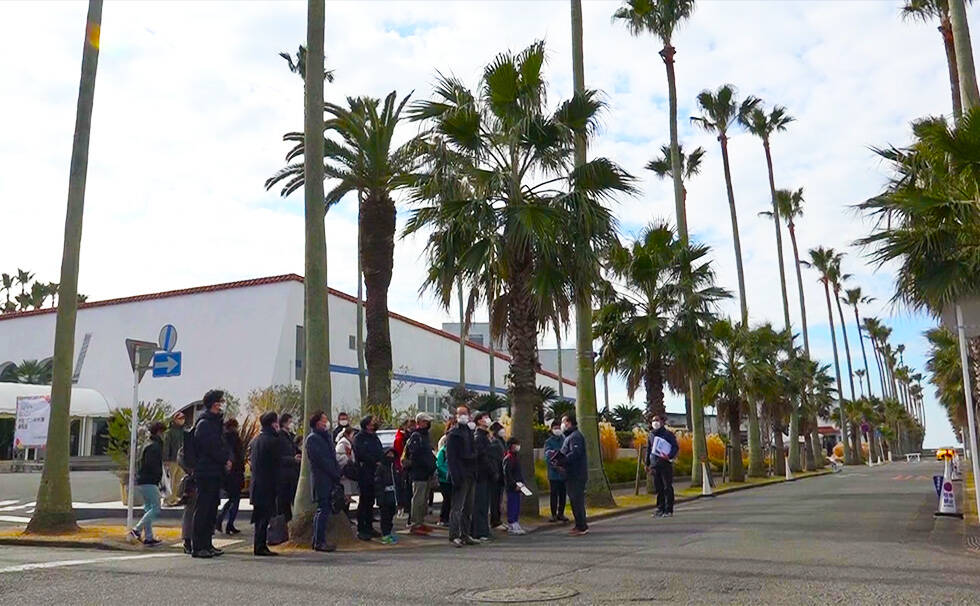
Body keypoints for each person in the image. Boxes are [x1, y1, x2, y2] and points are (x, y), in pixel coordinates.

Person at [191, 389, 232, 558]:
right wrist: (224, 459)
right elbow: (210, 447)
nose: (222, 404)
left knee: (211, 509)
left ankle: (207, 544)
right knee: (203, 509)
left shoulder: (215, 422)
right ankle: (198, 546)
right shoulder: (205, 423)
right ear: (214, 403)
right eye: (220, 401)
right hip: (205, 472)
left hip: (214, 472)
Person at [306, 410, 341, 552]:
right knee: (323, 509)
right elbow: (322, 460)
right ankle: (319, 541)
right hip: (322, 479)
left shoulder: (325, 437)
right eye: (323, 420)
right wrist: (334, 473)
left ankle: (318, 540)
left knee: (325, 509)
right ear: (317, 422)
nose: (326, 423)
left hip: (328, 478)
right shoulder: (313, 439)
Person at [250, 412, 281, 556]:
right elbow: (277, 462)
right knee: (264, 517)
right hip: (267, 484)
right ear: (273, 423)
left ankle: (259, 544)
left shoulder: (256, 440)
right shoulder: (272, 441)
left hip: (257, 483)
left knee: (259, 517)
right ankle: (260, 546)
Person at [130, 421, 166, 546]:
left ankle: (149, 537)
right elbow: (152, 465)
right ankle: (137, 529)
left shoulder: (147, 444)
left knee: (149, 508)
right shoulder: (155, 446)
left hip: (142, 480)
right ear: (159, 432)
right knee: (156, 508)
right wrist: (158, 477)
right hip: (149, 480)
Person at [446, 405, 477, 547]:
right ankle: (454, 535)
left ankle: (465, 534)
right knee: (457, 507)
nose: (463, 416)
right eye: (460, 414)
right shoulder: (454, 434)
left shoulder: (469, 432)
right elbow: (451, 458)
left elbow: (473, 451)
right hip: (460, 473)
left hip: (471, 473)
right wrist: (454, 476)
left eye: (465, 413)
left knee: (468, 507)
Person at [353, 414, 384, 540]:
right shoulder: (359, 438)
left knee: (371, 501)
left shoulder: (375, 437)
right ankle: (362, 528)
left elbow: (379, 450)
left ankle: (369, 526)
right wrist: (372, 461)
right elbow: (360, 453)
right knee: (364, 500)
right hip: (364, 472)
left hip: (375, 473)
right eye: (372, 422)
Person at [558, 414, 589, 537]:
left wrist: (562, 460)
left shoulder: (575, 437)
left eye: (563, 422)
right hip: (571, 474)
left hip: (576, 474)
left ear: (569, 422)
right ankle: (579, 524)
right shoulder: (569, 436)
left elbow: (575, 453)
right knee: (575, 501)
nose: (562, 425)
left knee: (577, 501)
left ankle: (581, 526)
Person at [406, 413, 436, 535]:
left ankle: (421, 521)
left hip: (427, 472)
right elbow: (415, 454)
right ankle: (415, 523)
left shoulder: (426, 436)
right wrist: (424, 464)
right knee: (418, 498)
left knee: (424, 499)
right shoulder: (416, 436)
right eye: (426, 421)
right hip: (419, 472)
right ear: (420, 422)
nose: (428, 424)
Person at [646, 413, 679, 518]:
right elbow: (649, 450)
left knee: (667, 487)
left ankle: (668, 509)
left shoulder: (668, 434)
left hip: (665, 463)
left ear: (662, 422)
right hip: (655, 465)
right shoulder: (651, 435)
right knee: (658, 487)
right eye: (653, 421)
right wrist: (647, 464)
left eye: (657, 420)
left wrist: (669, 455)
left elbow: (675, 447)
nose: (655, 422)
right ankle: (660, 508)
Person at [216, 418, 245, 535]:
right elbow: (237, 455)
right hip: (236, 471)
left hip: (228, 473)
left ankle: (222, 520)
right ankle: (228, 523)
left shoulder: (223, 438)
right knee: (235, 499)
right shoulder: (235, 439)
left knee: (232, 499)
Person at [470, 412, 494, 541]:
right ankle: (479, 531)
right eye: (485, 418)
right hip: (480, 474)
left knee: (484, 504)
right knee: (479, 504)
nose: (487, 420)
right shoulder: (478, 437)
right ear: (479, 421)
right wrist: (491, 469)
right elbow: (482, 456)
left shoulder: (486, 436)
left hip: (486, 474)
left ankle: (484, 529)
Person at [276, 413, 302, 523]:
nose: (291, 424)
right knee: (284, 504)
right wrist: (293, 459)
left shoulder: (290, 436)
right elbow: (278, 457)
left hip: (292, 473)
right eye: (290, 422)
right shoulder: (280, 437)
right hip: (284, 476)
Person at [543, 419, 569, 523]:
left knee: (563, 494)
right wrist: (556, 466)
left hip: (563, 473)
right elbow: (548, 456)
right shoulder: (549, 442)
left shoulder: (565, 440)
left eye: (558, 428)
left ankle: (561, 514)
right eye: (555, 428)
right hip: (553, 473)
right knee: (554, 494)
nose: (557, 430)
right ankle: (553, 514)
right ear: (551, 429)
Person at [502, 437, 527, 535]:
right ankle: (512, 523)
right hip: (512, 486)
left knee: (517, 504)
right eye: (516, 444)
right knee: (512, 504)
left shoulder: (515, 457)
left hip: (518, 485)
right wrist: (513, 484)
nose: (518, 446)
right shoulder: (509, 458)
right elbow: (507, 474)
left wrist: (521, 483)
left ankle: (516, 521)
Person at [392, 418, 416, 518]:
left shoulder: (408, 437)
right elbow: (398, 453)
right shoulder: (400, 439)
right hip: (401, 466)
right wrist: (400, 466)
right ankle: (402, 508)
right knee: (401, 488)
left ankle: (406, 508)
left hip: (407, 467)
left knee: (406, 489)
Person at [375, 447, 400, 544]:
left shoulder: (394, 468)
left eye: (392, 455)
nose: (391, 457)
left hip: (393, 496)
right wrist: (380, 497)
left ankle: (388, 533)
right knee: (385, 516)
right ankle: (385, 534)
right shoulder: (381, 468)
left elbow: (398, 482)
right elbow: (378, 483)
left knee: (390, 515)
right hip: (384, 495)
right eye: (389, 454)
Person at [162, 412, 185, 506]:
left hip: (182, 461)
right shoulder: (169, 432)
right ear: (175, 419)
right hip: (172, 460)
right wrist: (166, 459)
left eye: (183, 418)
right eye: (180, 418)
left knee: (178, 481)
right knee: (170, 480)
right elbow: (166, 446)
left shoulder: (184, 432)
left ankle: (175, 498)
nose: (182, 419)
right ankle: (168, 499)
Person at [435, 417, 454, 526]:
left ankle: (448, 518)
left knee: (451, 500)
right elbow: (439, 464)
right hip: (445, 478)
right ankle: (443, 518)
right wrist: (446, 473)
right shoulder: (443, 451)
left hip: (452, 477)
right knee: (447, 499)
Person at [335, 425, 357, 518]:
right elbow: (338, 457)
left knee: (348, 496)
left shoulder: (347, 444)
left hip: (347, 474)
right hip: (344, 474)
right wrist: (347, 460)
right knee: (345, 497)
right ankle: (345, 517)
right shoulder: (343, 444)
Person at [487, 421, 506, 530]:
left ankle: (498, 520)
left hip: (501, 475)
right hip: (496, 475)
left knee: (498, 499)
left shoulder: (501, 441)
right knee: (494, 500)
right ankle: (495, 521)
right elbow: (496, 459)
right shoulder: (494, 443)